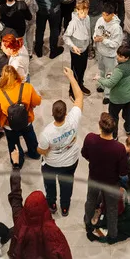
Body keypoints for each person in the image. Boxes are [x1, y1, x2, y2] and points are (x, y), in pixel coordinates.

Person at [37, 66, 85, 216]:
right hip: (70, 161)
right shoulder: (73, 119)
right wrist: (71, 77)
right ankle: (65, 207)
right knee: (67, 185)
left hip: (51, 164)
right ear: (65, 113)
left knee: (50, 184)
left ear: (52, 114)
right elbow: (79, 97)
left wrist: (48, 149)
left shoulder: (47, 133)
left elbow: (42, 150)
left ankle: (51, 204)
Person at [81, 112, 129, 242]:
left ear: (100, 126)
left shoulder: (90, 138)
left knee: (90, 201)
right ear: (114, 129)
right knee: (112, 208)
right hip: (111, 183)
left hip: (94, 178)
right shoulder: (119, 148)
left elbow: (84, 154)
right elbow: (123, 172)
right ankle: (112, 235)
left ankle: (88, 223)